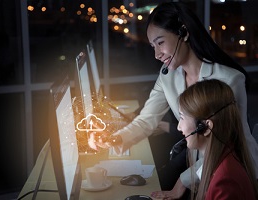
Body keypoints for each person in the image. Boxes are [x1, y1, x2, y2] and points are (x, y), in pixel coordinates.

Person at [89, 2, 258, 199]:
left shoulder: (229, 80)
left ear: (184, 33)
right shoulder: (168, 76)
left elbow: (229, 149)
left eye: (160, 43)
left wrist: (182, 183)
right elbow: (147, 120)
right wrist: (115, 139)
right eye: (153, 46)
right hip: (197, 165)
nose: (156, 54)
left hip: (230, 172)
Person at [151, 79, 258, 200]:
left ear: (205, 127)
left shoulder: (225, 180)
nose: (179, 127)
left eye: (182, 117)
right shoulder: (217, 159)